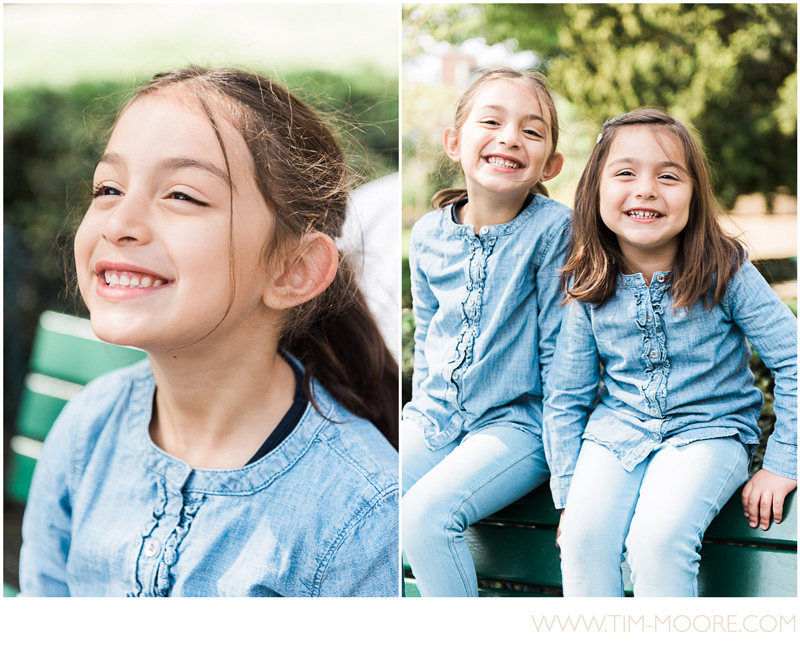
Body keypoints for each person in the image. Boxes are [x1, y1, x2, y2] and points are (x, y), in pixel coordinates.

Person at [19, 66, 399, 597]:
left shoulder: (364, 513)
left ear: (295, 270)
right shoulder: (87, 429)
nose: (118, 223)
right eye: (108, 188)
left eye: (181, 195)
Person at [544, 108, 797, 597]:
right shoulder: (587, 279)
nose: (645, 189)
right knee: (581, 539)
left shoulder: (725, 269)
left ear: (695, 195)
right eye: (625, 173)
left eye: (668, 176)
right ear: (595, 190)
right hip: (617, 432)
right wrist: (571, 490)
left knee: (657, 542)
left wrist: (783, 462)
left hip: (710, 431)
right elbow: (566, 394)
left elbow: (793, 358)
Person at [402, 68, 570, 597]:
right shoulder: (427, 234)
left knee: (425, 519)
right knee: (361, 497)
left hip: (518, 426)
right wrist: (414, 417)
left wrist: (570, 481)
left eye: (531, 130)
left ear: (550, 163)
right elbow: (427, 340)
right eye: (491, 122)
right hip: (434, 419)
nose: (510, 138)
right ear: (455, 142)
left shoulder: (555, 230)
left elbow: (562, 359)